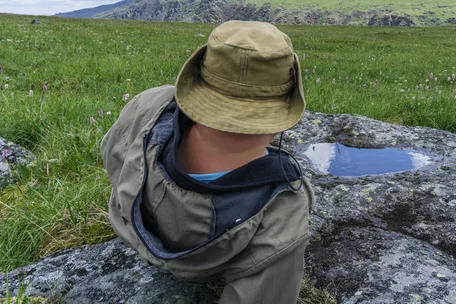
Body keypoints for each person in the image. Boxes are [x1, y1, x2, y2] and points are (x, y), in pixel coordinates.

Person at [101, 20, 314, 303]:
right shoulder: (285, 205)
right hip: (204, 269)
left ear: (200, 78)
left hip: (128, 226)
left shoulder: (150, 105)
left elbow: (110, 154)